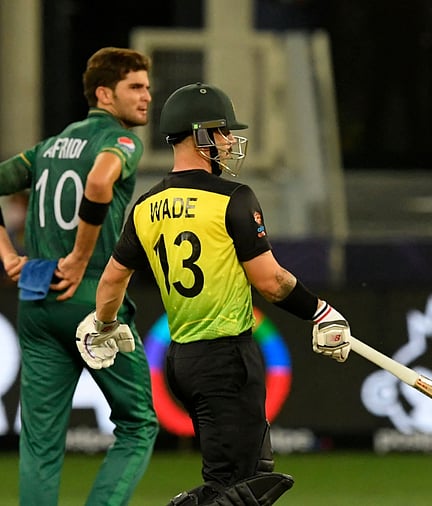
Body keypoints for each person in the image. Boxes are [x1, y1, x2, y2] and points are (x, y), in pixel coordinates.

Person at [79, 82, 353, 505]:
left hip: (181, 361)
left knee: (236, 480)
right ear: (200, 134)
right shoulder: (233, 199)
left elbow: (113, 278)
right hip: (227, 358)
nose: (228, 142)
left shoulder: (146, 206)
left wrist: (104, 325)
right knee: (242, 488)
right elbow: (270, 281)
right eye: (222, 132)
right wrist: (319, 311)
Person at [0, 47, 158, 506]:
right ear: (105, 94)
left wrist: (8, 255)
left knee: (39, 443)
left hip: (36, 297)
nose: (147, 96)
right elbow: (99, 182)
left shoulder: (47, 148)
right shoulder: (121, 141)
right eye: (136, 86)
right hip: (90, 297)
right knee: (138, 423)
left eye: (147, 87)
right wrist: (79, 255)